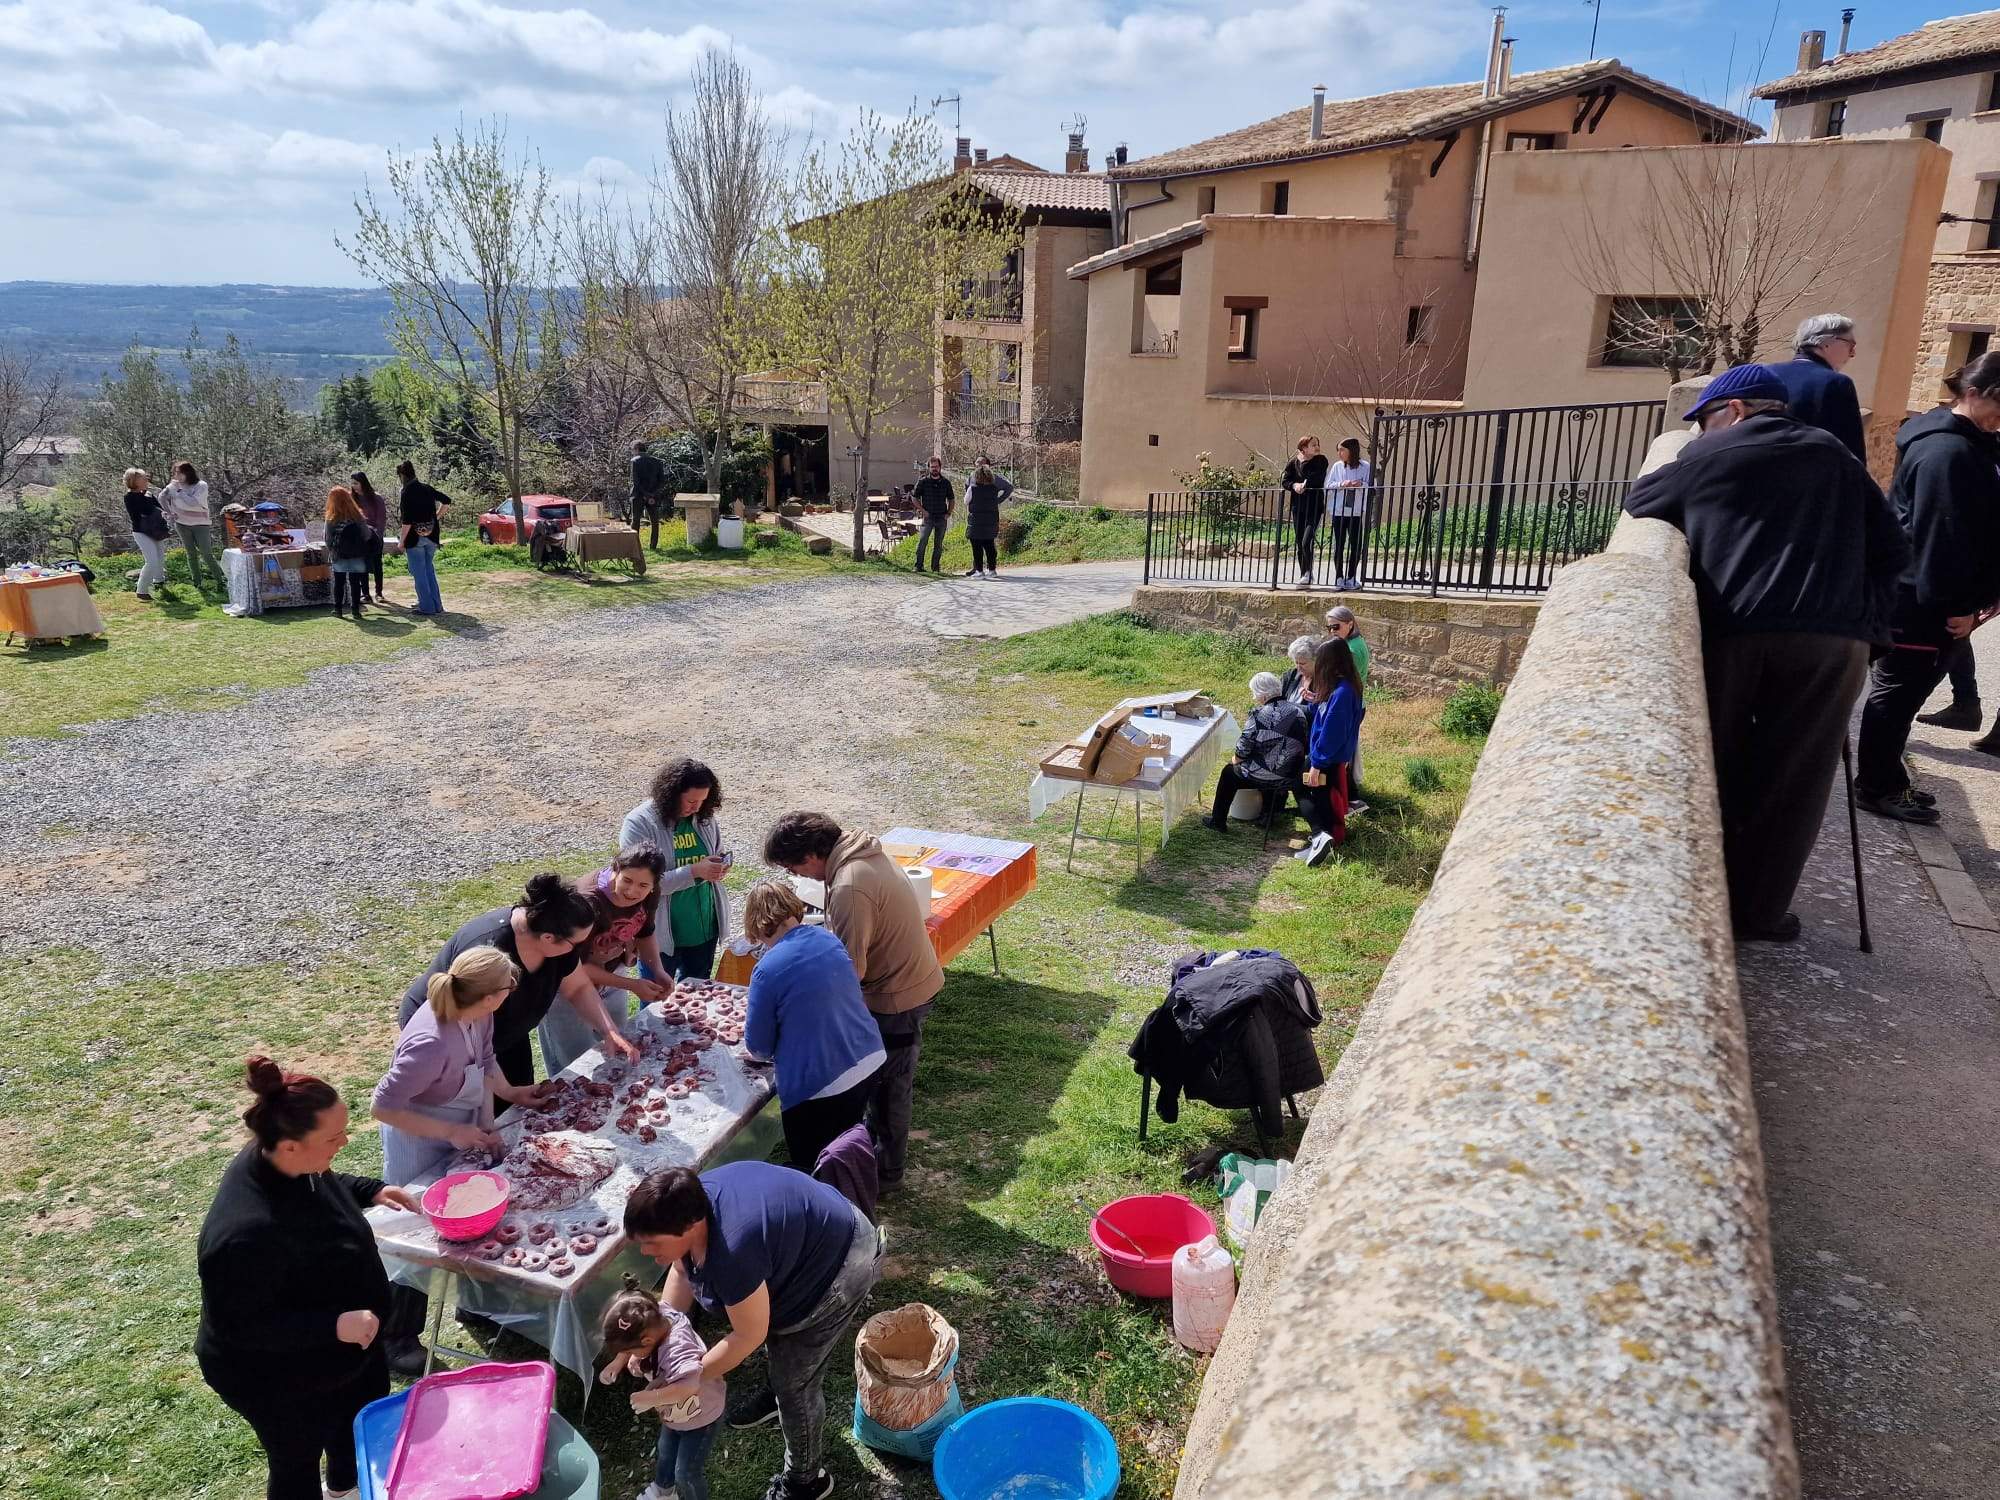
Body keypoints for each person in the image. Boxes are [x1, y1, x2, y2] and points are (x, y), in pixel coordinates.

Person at [1625, 363, 1909, 936]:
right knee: (1796, 779)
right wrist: (1870, 630)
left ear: (1732, 411)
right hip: (1833, 639)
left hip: (1738, 627)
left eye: (1705, 420)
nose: (1703, 431)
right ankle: (1756, 914)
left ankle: (1687, 902)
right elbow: (1894, 553)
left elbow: (1641, 501)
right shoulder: (1837, 456)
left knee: (1712, 758)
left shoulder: (1711, 455)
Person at [197, 1056, 417, 1500]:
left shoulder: (292, 1161)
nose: (344, 1142)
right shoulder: (243, 1233)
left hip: (348, 1351)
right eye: (334, 1138)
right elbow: (241, 1326)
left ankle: (345, 1489)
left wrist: (369, 1189)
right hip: (274, 1376)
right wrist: (333, 1326)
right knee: (295, 1458)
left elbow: (325, 1180)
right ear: (291, 1144)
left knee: (353, 1426)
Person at [623, 1162, 882, 1500]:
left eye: (652, 1243)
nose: (646, 1252)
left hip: (844, 1261)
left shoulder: (733, 1252)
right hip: (808, 1234)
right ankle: (776, 1390)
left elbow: (749, 1335)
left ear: (690, 1226)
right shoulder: (686, 1201)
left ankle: (807, 1481)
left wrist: (689, 1377)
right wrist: (659, 1338)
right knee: (775, 1344)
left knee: (795, 1380)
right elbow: (682, 1271)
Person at [375, 946, 554, 1373]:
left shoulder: (480, 1014)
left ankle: (472, 1304)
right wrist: (453, 1132)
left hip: (463, 1122)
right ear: (491, 993)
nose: (511, 994)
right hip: (421, 1138)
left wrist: (510, 1095)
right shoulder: (429, 1042)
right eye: (508, 988)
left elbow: (486, 1060)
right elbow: (383, 1105)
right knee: (416, 1232)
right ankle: (397, 1337)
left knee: (470, 1222)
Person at [762, 812, 944, 1193]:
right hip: (910, 981)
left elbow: (849, 970)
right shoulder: (863, 853)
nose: (799, 875)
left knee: (889, 1085)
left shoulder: (848, 885)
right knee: (884, 1080)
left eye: (794, 866)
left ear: (812, 854)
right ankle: (870, 1156)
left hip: (896, 996)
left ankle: (886, 1172)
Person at [1854, 352, 2000, 824]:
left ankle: (1888, 777)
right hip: (1923, 601)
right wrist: (1963, 610)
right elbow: (1944, 537)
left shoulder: (1969, 441)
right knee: (1897, 696)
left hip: (1927, 595)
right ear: (1973, 394)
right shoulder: (1948, 453)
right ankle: (1876, 787)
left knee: (1901, 692)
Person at [397, 873, 638, 1097]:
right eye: (575, 944)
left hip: (506, 1034)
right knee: (474, 1110)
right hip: (451, 1035)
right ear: (547, 938)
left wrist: (609, 1031)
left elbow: (578, 987)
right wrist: (499, 1090)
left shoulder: (557, 938)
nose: (578, 951)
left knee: (517, 1100)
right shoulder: (489, 951)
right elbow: (467, 1037)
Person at [740, 879, 887, 1171]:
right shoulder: (828, 939)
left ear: (759, 926)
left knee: (813, 1162)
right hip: (867, 1058)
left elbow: (758, 1046)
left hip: (820, 1083)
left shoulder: (767, 970)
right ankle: (855, 1185)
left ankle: (828, 1203)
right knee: (846, 1142)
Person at [540, 844, 675, 1076]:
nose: (632, 891)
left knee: (618, 1044)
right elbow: (575, 968)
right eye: (627, 880)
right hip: (565, 986)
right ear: (615, 869)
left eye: (643, 885)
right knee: (575, 1063)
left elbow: (645, 931)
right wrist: (633, 985)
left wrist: (658, 970)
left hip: (612, 974)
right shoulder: (587, 902)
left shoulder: (650, 894)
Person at [598, 1274, 727, 1500]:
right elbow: (634, 1340)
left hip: (701, 1415)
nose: (632, 1356)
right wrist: (619, 1362)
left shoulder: (678, 1348)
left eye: (632, 1350)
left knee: (686, 1473)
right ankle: (664, 1491)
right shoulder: (653, 1315)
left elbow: (689, 1385)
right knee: (666, 1451)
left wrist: (652, 1398)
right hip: (676, 1413)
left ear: (646, 1341)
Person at [620, 758, 730, 981]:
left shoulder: (704, 817)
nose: (696, 807)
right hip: (659, 934)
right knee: (656, 998)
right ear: (671, 793)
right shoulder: (639, 823)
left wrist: (720, 866)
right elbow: (641, 884)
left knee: (698, 997)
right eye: (691, 801)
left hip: (703, 931)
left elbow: (717, 851)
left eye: (702, 801)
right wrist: (694, 872)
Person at [1204, 671, 1310, 830]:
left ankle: (1217, 821)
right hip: (1292, 772)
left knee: (1229, 772)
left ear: (1262, 695)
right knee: (1268, 762)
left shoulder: (1259, 715)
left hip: (1271, 774)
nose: (1254, 697)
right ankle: (1268, 813)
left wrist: (1235, 760)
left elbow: (1242, 750)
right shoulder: (1299, 712)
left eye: (1254, 693)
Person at [1297, 636, 1364, 867]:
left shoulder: (1343, 692)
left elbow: (1332, 731)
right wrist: (1315, 700)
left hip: (1326, 758)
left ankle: (1320, 836)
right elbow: (1327, 713)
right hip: (1325, 756)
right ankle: (1322, 837)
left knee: (1307, 790)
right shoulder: (1342, 687)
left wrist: (1317, 763)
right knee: (1321, 798)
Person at [1771, 312, 1867, 464]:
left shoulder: (1768, 373)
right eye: (1851, 345)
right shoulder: (1836, 383)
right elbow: (1850, 450)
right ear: (1827, 342)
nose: (1853, 353)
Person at [1325, 604, 1372, 806]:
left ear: (1350, 624)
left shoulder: (1351, 651)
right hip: (1354, 702)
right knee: (1347, 749)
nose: (1332, 632)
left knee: (1343, 752)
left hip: (1349, 704)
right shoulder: (1354, 643)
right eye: (1329, 628)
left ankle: (1348, 796)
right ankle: (1349, 793)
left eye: (1336, 627)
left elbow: (1339, 676)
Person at [395, 459, 451, 616]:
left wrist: (401, 541)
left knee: (419, 572)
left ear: (401, 475)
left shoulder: (406, 492)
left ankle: (426, 607)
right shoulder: (426, 488)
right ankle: (437, 605)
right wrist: (436, 517)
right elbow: (447, 501)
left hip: (415, 538)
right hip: (432, 535)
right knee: (428, 571)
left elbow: (406, 522)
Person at [161, 460, 220, 591]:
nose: (177, 476)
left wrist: (179, 492)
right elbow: (161, 497)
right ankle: (197, 583)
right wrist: (169, 512)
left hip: (201, 524)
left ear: (188, 472)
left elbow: (193, 502)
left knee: (206, 553)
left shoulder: (201, 485)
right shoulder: (173, 486)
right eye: (175, 473)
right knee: (191, 554)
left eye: (180, 473)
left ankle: (221, 581)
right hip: (182, 523)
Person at [1280, 435, 1328, 589]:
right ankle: (1305, 574)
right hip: (1298, 507)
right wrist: (1294, 486)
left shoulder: (1320, 460)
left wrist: (1304, 484)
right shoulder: (1293, 463)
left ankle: (1308, 572)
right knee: (1300, 541)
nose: (1316, 447)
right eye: (1313, 445)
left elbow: (1317, 478)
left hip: (1314, 506)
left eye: (1317, 444)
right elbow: (1285, 481)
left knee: (1307, 540)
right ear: (1304, 448)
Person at [1327, 438, 1372, 590]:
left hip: (1355, 512)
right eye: (1338, 450)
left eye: (1342, 450)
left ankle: (1351, 577)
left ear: (1351, 450)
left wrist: (1361, 484)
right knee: (1338, 545)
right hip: (1339, 511)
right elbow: (1327, 485)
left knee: (1356, 546)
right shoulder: (1337, 467)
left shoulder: (1365, 467)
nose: (1339, 453)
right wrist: (1341, 484)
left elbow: (1373, 487)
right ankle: (1339, 577)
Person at [123, 467, 170, 601]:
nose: (146, 480)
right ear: (134, 481)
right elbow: (145, 511)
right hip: (141, 532)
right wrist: (146, 497)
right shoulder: (130, 497)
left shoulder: (147, 494)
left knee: (160, 557)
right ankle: (141, 590)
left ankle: (159, 581)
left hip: (156, 530)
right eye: (143, 478)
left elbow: (159, 508)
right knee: (151, 561)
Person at [324, 485, 371, 620]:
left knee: (339, 582)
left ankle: (338, 609)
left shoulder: (331, 517)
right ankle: (355, 610)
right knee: (355, 582)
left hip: (339, 555)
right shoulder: (357, 516)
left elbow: (327, 539)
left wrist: (333, 549)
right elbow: (367, 535)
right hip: (357, 554)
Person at [963, 460, 1014, 577]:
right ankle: (992, 570)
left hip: (976, 522)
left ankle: (979, 571)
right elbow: (1007, 489)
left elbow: (966, 501)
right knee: (990, 545)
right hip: (990, 520)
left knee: (977, 546)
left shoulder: (972, 489)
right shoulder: (994, 489)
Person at [350, 471, 389, 604]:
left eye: (356, 483)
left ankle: (379, 593)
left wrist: (376, 534)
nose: (354, 486)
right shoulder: (352, 499)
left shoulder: (376, 498)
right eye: (352, 483)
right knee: (362, 565)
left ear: (363, 483)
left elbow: (381, 518)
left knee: (377, 564)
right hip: (359, 537)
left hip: (375, 537)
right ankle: (365, 593)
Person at [912, 457, 953, 574]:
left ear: (940, 468)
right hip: (928, 517)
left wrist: (948, 513)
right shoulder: (923, 482)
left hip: (941, 517)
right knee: (922, 541)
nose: (934, 469)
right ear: (929, 468)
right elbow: (914, 497)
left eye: (936, 467)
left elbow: (951, 499)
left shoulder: (946, 483)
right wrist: (922, 510)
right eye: (932, 467)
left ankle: (935, 568)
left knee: (938, 544)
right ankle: (918, 566)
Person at [631, 439, 667, 528]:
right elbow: (662, 480)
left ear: (637, 449)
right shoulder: (657, 461)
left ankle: (634, 542)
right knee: (655, 521)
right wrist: (652, 494)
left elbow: (636, 482)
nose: (632, 452)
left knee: (636, 520)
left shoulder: (634, 461)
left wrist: (645, 494)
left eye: (632, 449)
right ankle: (653, 542)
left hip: (638, 494)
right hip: (654, 494)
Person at [1279, 635, 1318, 703]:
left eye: (1303, 664)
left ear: (1316, 661)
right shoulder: (1290, 675)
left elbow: (1316, 710)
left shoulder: (1323, 682)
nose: (1298, 667)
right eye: (1296, 663)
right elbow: (1276, 700)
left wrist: (1288, 706)